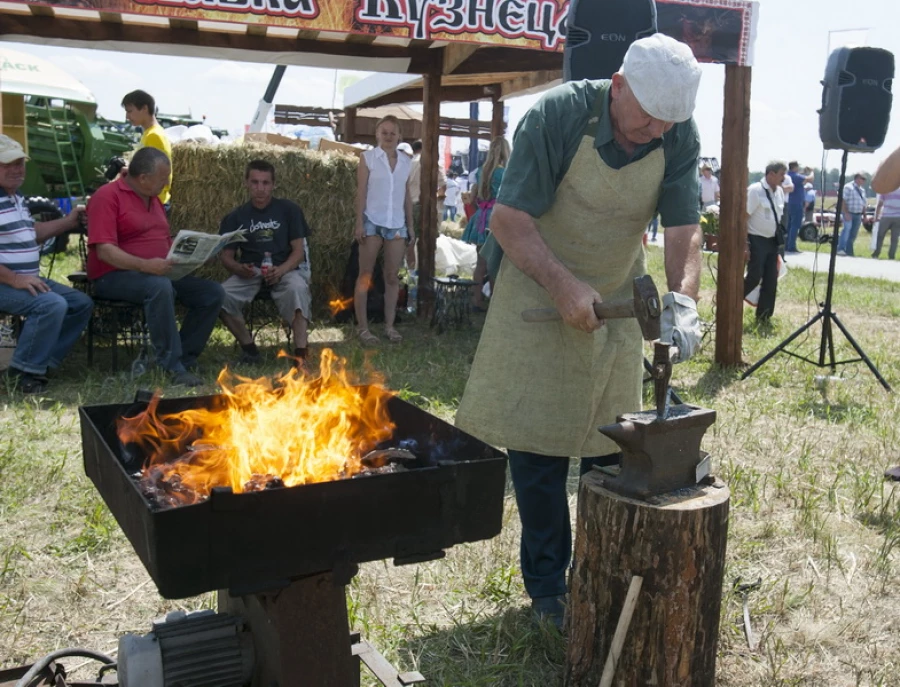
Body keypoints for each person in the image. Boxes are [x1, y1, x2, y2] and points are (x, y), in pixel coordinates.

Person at [454, 34, 704, 629]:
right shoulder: (558, 114)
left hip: (620, 289)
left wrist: (683, 299)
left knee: (608, 451)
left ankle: (598, 574)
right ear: (618, 85)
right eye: (644, 122)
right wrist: (565, 288)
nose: (654, 135)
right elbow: (511, 222)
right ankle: (547, 589)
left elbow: (684, 229)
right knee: (537, 451)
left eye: (666, 126)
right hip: (536, 282)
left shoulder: (675, 132)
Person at [86, 147, 225, 387]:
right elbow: (105, 251)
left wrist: (195, 254)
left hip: (157, 271)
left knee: (212, 293)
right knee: (159, 287)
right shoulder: (107, 197)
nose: (166, 184)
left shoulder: (154, 199)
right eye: (163, 179)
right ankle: (171, 366)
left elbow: (161, 239)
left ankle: (184, 356)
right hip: (114, 276)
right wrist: (146, 266)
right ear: (143, 178)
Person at [0, 135, 93, 394]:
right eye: (8, 164)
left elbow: (32, 232)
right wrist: (15, 279)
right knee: (50, 304)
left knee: (80, 304)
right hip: (6, 281)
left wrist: (69, 221)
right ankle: (24, 372)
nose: (17, 169)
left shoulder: (14, 197)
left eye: (20, 163)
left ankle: (41, 362)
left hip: (22, 278)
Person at [218, 160, 312, 367]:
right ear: (246, 183)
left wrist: (281, 270)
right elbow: (226, 256)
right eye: (255, 183)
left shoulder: (289, 210)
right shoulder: (235, 217)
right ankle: (249, 349)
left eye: (265, 183)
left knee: (297, 288)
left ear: (274, 184)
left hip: (285, 268)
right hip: (251, 271)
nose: (260, 189)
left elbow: (298, 253)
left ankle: (301, 355)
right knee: (219, 295)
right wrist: (238, 268)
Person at [354, 115, 413, 346]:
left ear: (399, 136)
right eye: (384, 132)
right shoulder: (367, 158)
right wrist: (358, 222)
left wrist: (411, 225)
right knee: (365, 275)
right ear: (377, 135)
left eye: (392, 133)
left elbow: (406, 195)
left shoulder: (407, 161)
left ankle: (389, 326)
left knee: (391, 276)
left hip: (396, 223)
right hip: (372, 221)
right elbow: (361, 192)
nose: (388, 137)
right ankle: (363, 328)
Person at [461, 136, 510, 310]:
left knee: (480, 263)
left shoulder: (481, 171)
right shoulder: (504, 173)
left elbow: (472, 198)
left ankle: (476, 300)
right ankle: (496, 304)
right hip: (495, 218)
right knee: (496, 263)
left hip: (480, 217)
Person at [744, 162, 787, 322]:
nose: (784, 178)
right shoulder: (755, 191)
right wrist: (744, 244)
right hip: (755, 240)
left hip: (772, 241)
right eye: (781, 174)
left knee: (771, 279)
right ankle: (732, 303)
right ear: (771, 174)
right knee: (754, 276)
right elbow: (744, 217)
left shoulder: (780, 192)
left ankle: (764, 316)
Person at [121, 89, 173, 209]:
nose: (127, 116)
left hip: (153, 202)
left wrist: (129, 171)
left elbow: (156, 174)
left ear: (144, 108)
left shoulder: (154, 136)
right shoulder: (150, 134)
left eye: (130, 111)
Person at [406, 139, 446, 269]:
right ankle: (425, 270)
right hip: (425, 205)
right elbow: (443, 185)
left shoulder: (407, 163)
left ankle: (410, 271)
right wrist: (438, 198)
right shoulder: (431, 162)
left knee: (410, 241)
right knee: (427, 241)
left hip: (408, 206)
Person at [784, 162, 814, 254]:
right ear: (795, 167)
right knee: (795, 225)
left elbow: (799, 177)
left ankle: (786, 245)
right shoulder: (796, 176)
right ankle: (791, 246)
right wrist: (812, 171)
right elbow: (810, 179)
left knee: (789, 225)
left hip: (788, 203)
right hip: (796, 203)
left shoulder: (788, 175)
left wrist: (803, 171)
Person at [837, 173, 868, 257]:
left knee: (853, 233)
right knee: (846, 230)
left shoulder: (862, 190)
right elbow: (843, 200)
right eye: (862, 178)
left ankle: (849, 251)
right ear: (857, 178)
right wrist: (846, 213)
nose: (864, 181)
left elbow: (863, 204)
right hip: (849, 212)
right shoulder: (848, 187)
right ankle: (840, 249)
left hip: (858, 214)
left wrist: (864, 216)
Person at [872, 187, 900, 260]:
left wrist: (876, 216)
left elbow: (880, 204)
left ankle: (877, 253)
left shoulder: (885, 189)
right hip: (898, 216)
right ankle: (891, 255)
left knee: (880, 235)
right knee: (894, 238)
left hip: (886, 215)